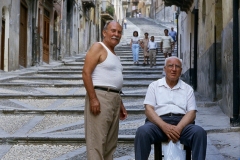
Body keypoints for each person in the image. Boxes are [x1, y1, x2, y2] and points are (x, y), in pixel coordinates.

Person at [134, 56, 207, 160]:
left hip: (182, 124)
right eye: (170, 66)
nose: (173, 69)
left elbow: (191, 112)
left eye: (177, 66)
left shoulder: (187, 89)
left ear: (181, 70)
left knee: (199, 133)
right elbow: (148, 109)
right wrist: (164, 126)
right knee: (142, 132)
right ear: (164, 69)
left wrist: (178, 128)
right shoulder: (154, 86)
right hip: (158, 124)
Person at [82, 21, 128, 160]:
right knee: (97, 142)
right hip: (100, 96)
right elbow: (86, 73)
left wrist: (120, 104)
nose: (116, 34)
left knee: (110, 144)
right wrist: (93, 99)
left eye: (119, 32)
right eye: (113, 31)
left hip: (114, 98)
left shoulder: (114, 54)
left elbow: (112, 80)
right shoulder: (98, 47)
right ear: (104, 32)